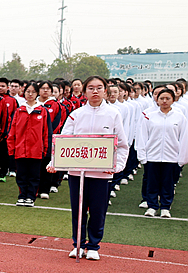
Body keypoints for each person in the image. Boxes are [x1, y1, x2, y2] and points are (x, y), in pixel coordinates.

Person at [48, 76, 129, 261]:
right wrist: (54, 162)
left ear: (105, 91)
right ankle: (78, 244)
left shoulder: (113, 114)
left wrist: (117, 167)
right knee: (78, 210)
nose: (95, 91)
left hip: (102, 174)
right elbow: (64, 142)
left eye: (99, 88)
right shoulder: (76, 114)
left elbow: (123, 145)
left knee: (98, 210)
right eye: (90, 88)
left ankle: (93, 246)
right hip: (78, 173)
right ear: (84, 91)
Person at [138, 88, 187, 218]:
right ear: (157, 100)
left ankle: (165, 207)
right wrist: (142, 155)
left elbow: (183, 138)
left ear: (173, 100)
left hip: (171, 156)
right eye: (161, 98)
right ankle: (152, 206)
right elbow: (142, 136)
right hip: (152, 156)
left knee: (168, 183)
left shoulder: (180, 116)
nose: (164, 101)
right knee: (152, 183)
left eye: (168, 98)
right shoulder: (149, 116)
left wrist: (182, 157)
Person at [7, 82, 48, 207]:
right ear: (24, 93)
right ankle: (22, 196)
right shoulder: (19, 110)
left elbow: (46, 132)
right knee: (21, 175)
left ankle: (31, 197)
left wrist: (45, 149)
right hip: (20, 149)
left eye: (33, 92)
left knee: (34, 175)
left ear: (37, 94)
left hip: (36, 150)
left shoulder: (42, 111)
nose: (30, 94)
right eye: (28, 91)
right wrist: (11, 148)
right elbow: (12, 130)